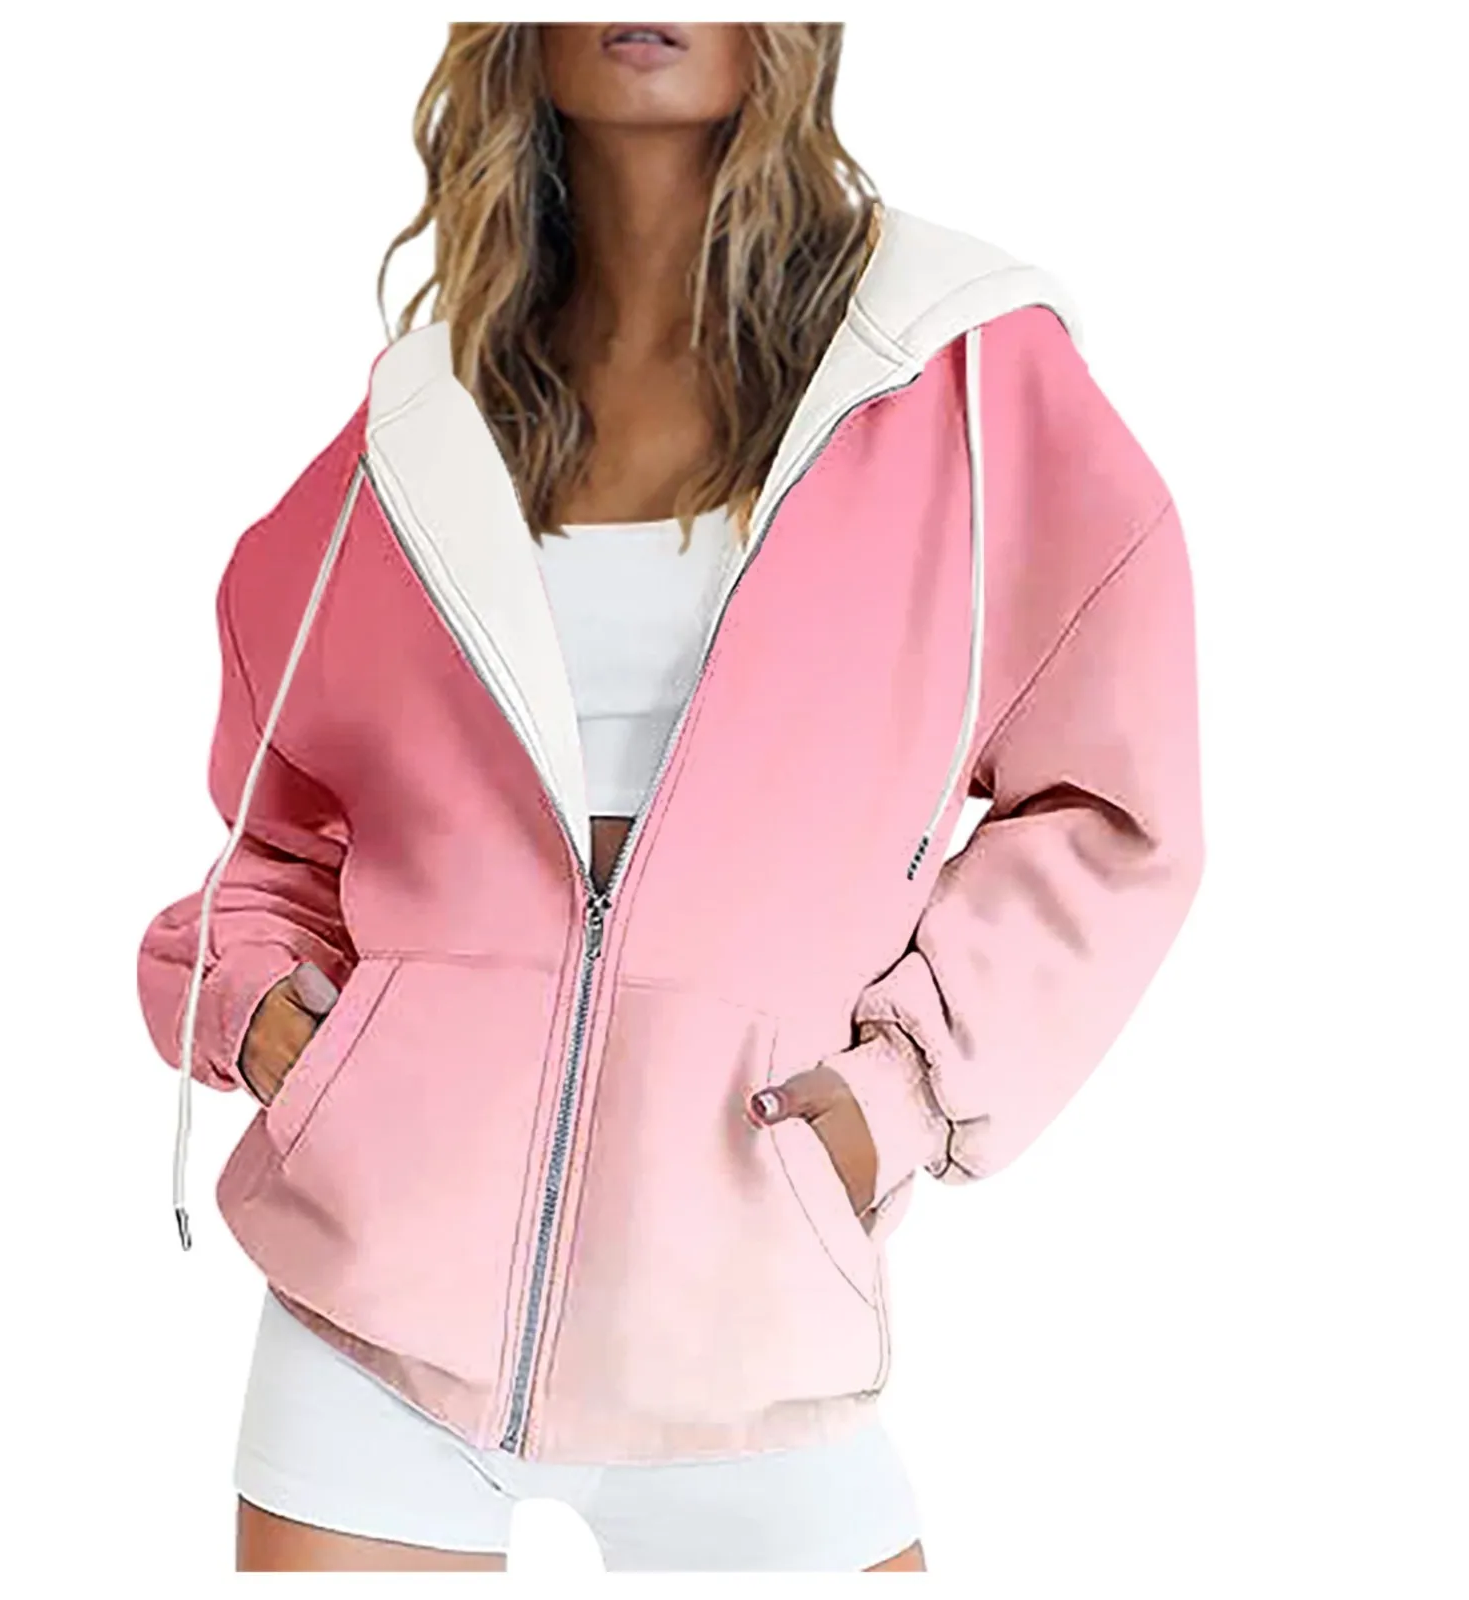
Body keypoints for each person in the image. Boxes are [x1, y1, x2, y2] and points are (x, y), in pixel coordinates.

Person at [136, 21, 1206, 1575]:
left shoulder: (959, 372)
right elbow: (282, 827)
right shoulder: (423, 424)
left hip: (747, 1301)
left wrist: (899, 1097)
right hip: (371, 1311)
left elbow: (1111, 807)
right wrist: (268, 1016)